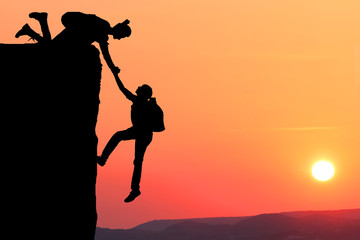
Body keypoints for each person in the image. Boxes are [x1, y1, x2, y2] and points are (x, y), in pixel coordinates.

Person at [15, 12, 131, 75]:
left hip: (73, 27)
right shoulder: (103, 30)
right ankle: (40, 21)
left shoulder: (104, 30)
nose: (120, 39)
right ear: (119, 30)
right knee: (50, 48)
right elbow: (105, 54)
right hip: (72, 26)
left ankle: (32, 27)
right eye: (122, 36)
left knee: (49, 47)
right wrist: (113, 69)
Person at [98, 73, 155, 203]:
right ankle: (103, 159)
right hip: (139, 132)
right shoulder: (142, 102)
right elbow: (123, 89)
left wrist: (115, 75)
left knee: (137, 160)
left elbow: (122, 88)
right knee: (120, 138)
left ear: (143, 93)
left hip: (143, 134)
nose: (138, 88)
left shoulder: (139, 101)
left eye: (140, 88)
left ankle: (135, 189)